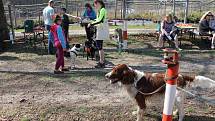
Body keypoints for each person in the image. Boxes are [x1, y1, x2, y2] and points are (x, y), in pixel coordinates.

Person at [88, 0, 109, 68]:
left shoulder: (103, 10)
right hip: (100, 29)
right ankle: (101, 62)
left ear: (99, 3)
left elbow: (100, 21)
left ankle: (102, 62)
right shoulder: (99, 11)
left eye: (95, 4)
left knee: (100, 47)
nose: (95, 6)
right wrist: (90, 21)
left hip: (102, 30)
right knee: (99, 46)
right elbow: (97, 20)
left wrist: (91, 23)